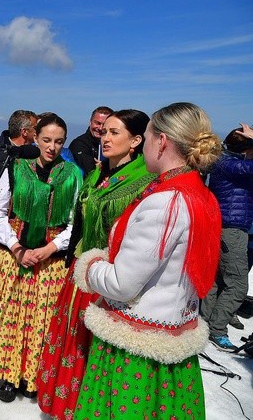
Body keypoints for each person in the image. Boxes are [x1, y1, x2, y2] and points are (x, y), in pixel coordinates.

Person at [72, 102, 222, 419]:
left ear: (162, 141)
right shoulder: (199, 194)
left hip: (138, 349)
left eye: (149, 135)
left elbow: (122, 284)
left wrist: (89, 266)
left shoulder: (165, 203)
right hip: (173, 331)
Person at [36, 109, 154, 419]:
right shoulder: (97, 173)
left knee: (95, 353)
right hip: (80, 273)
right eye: (104, 131)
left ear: (136, 141)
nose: (105, 137)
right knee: (72, 344)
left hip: (109, 282)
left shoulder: (144, 181)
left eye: (115, 132)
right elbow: (80, 220)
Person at [0, 113, 82, 402]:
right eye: (46, 140)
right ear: (34, 138)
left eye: (59, 141)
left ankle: (34, 376)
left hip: (51, 260)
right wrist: (16, 247)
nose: (52, 147)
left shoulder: (72, 175)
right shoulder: (16, 168)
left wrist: (49, 249)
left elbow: (74, 223)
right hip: (16, 255)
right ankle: (9, 375)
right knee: (12, 314)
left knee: (42, 321)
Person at [201, 122, 253, 350]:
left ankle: (204, 323)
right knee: (238, 285)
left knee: (216, 280)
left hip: (224, 226)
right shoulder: (231, 165)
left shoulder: (223, 161)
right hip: (231, 229)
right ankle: (217, 329)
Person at [0, 110, 38, 189]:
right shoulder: (1, 159)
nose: (38, 131)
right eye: (35, 128)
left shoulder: (33, 152)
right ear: (24, 131)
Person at [68, 106, 113, 175]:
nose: (100, 128)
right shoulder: (79, 144)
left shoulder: (114, 144)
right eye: (97, 123)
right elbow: (90, 171)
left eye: (104, 124)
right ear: (90, 122)